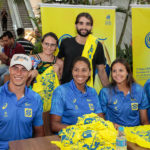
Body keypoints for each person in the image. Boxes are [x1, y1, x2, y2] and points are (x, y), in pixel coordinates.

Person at [0, 54, 44, 150]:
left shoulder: (35, 98)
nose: (19, 73)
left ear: (29, 73)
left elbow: (39, 132)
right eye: (15, 68)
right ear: (10, 70)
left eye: (24, 69)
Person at [50, 56, 104, 133]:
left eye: (84, 70)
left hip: (91, 138)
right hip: (68, 139)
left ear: (90, 72)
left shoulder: (92, 92)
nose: (80, 74)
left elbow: (101, 120)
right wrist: (81, 130)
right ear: (72, 72)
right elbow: (54, 125)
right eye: (76, 70)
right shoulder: (61, 91)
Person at [57, 12, 109, 87]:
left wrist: (110, 92)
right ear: (76, 25)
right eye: (81, 23)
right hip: (66, 89)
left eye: (87, 24)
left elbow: (101, 71)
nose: (84, 27)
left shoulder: (97, 45)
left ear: (91, 27)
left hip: (86, 91)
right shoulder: (66, 42)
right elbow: (59, 62)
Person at [99, 58, 149, 127]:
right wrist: (112, 125)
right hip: (115, 133)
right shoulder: (105, 92)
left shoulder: (139, 90)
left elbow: (144, 121)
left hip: (134, 132)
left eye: (121, 70)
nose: (117, 74)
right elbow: (99, 118)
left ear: (127, 72)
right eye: (114, 71)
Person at [27, 32, 63, 112]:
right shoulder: (32, 59)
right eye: (46, 44)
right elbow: (23, 83)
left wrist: (57, 74)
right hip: (33, 101)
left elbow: (61, 87)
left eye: (52, 45)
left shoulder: (59, 62)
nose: (49, 47)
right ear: (42, 44)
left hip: (51, 102)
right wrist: (30, 75)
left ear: (56, 47)